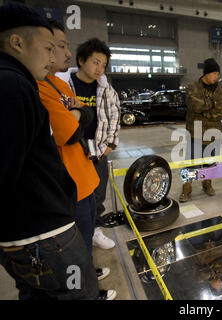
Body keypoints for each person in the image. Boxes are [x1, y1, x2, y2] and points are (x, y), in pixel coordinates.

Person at [0, 2, 102, 300]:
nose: (57, 56)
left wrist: (79, 115)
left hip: (31, 233)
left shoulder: (27, 83)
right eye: (48, 48)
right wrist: (79, 116)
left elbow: (84, 119)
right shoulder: (13, 85)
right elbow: (69, 131)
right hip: (44, 235)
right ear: (18, 43)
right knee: (77, 292)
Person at [36, 19, 116, 298]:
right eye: (57, 46)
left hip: (89, 167)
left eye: (104, 65)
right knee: (74, 240)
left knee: (89, 223)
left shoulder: (64, 87)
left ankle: (87, 276)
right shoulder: (52, 84)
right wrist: (79, 114)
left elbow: (96, 116)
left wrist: (105, 144)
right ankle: (87, 291)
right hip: (69, 177)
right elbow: (68, 133)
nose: (65, 53)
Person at [57, 38, 120, 250]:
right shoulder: (65, 86)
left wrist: (110, 144)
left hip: (99, 151)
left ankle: (95, 230)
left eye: (103, 65)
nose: (99, 68)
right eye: (95, 62)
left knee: (98, 194)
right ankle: (75, 233)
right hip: (74, 150)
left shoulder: (106, 89)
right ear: (81, 60)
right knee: (75, 194)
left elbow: (115, 116)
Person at [179, 58, 222, 202]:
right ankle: (186, 190)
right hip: (195, 133)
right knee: (190, 164)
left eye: (217, 74)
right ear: (206, 73)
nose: (216, 77)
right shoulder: (192, 87)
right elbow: (193, 104)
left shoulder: (220, 90)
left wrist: (203, 111)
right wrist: (211, 104)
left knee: (210, 163)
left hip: (213, 134)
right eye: (214, 74)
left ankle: (207, 185)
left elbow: (221, 111)